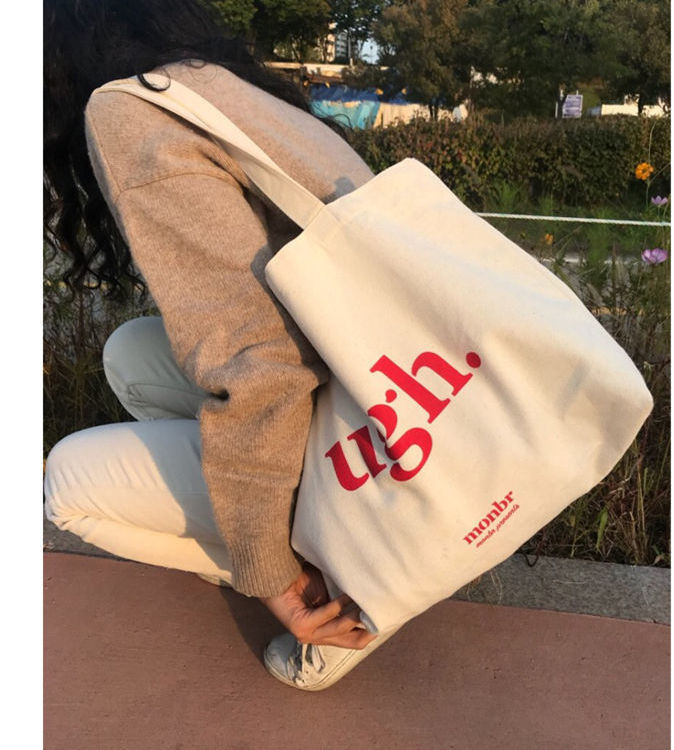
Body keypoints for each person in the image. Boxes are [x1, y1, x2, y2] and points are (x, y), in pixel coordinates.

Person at [43, 0, 396, 691]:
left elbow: (261, 363)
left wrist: (268, 573)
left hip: (365, 448)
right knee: (130, 354)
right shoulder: (211, 83)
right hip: (394, 386)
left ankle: (329, 590)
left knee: (65, 486)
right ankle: (275, 530)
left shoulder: (123, 111)